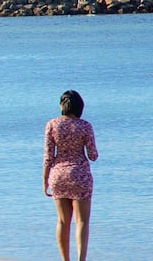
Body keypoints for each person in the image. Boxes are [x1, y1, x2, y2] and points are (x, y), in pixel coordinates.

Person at [43, 90, 99, 261]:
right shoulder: (85, 126)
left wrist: (44, 180)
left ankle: (65, 259)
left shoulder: (52, 124)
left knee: (62, 222)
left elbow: (48, 156)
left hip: (59, 175)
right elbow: (93, 155)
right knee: (81, 222)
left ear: (62, 105)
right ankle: (81, 259)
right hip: (80, 175)